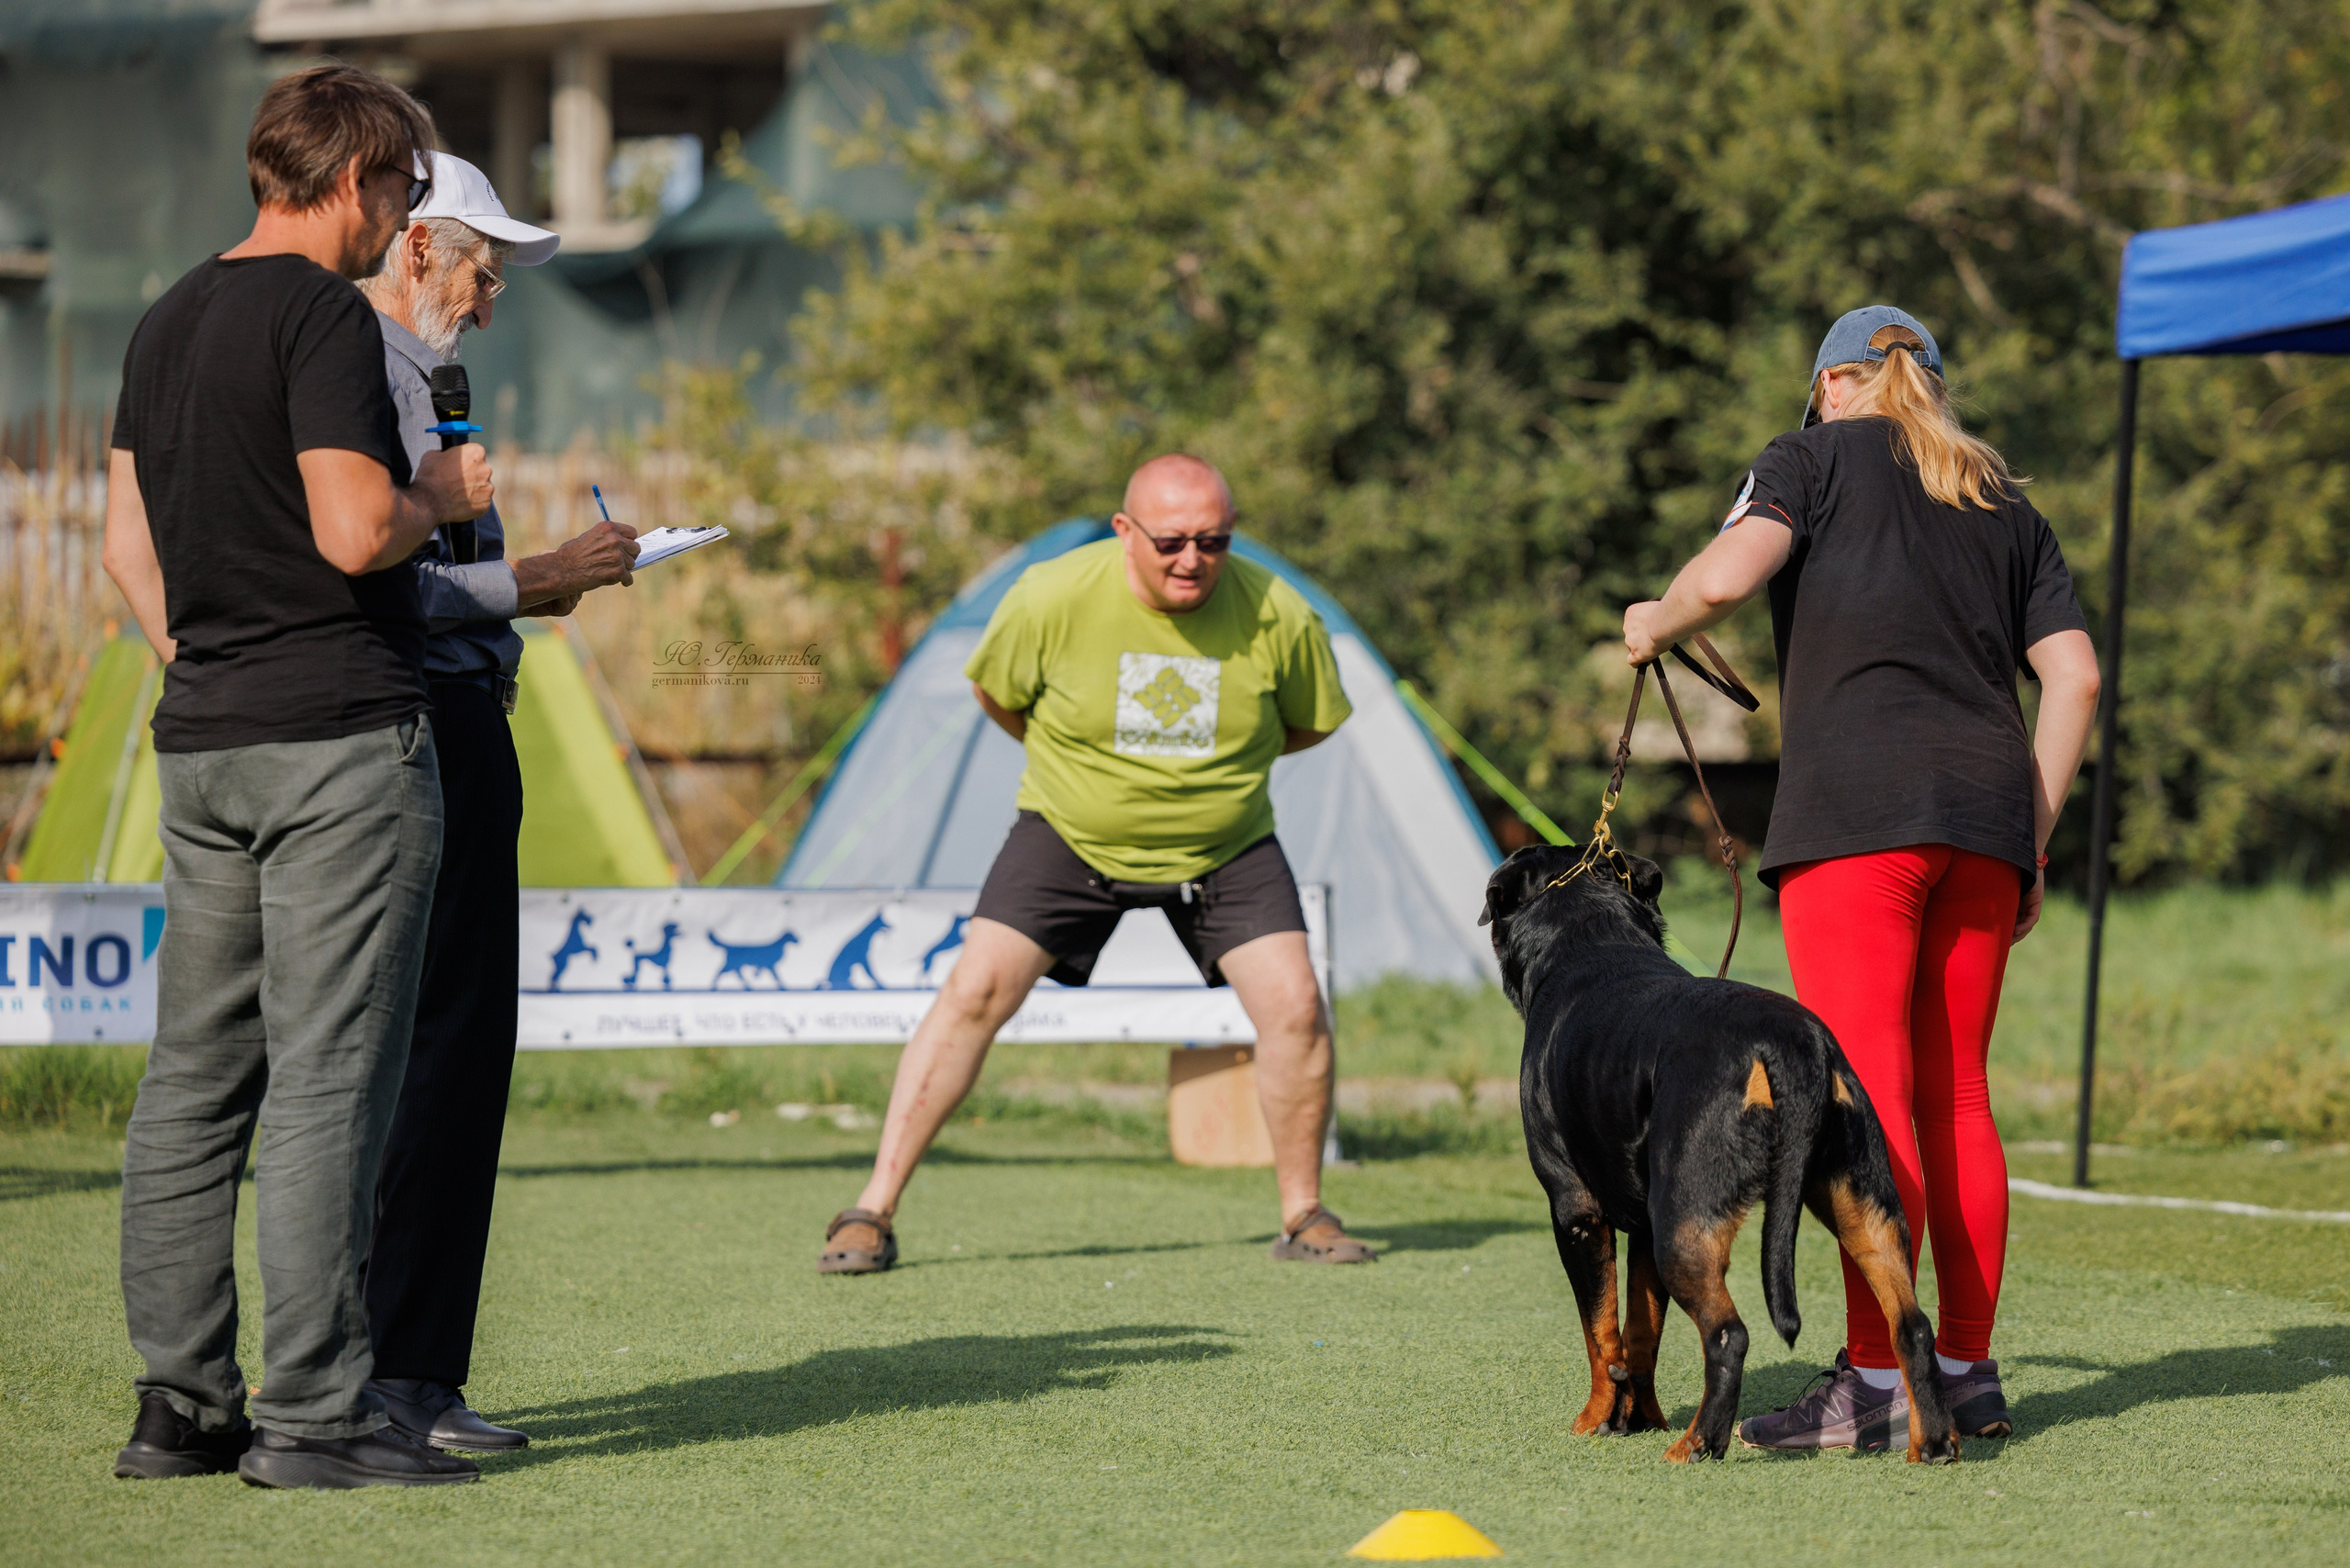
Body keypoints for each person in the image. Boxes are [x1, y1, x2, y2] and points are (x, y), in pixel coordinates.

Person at [100, 66, 494, 1488]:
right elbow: (351, 530)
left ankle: (182, 1407)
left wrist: (208, 663)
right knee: (330, 1082)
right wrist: (437, 497)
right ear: (350, 180)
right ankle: (315, 1418)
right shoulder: (322, 314)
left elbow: (124, 548)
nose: (401, 220)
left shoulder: (167, 316)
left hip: (207, 736)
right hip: (339, 741)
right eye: (400, 190)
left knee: (194, 1082)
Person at [1620, 306, 2101, 1450]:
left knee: (1866, 1105)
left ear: (1832, 386)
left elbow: (1725, 577)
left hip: (1857, 817)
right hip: (1984, 820)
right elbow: (2075, 678)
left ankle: (1880, 1381)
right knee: (1958, 1097)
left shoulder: (1808, 458)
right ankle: (1966, 1373)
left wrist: (1655, 619)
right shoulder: (2002, 498)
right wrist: (2029, 838)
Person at [819, 454, 1371, 1273]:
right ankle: (871, 1210)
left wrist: (1206, 784)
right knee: (973, 992)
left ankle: (1304, 1216)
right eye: (1171, 541)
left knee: (1296, 1006)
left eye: (1214, 541)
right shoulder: (1049, 597)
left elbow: (1311, 723)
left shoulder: (1280, 614)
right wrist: (1087, 780)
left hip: (1227, 848)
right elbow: (999, 694)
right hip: (1067, 834)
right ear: (1124, 531)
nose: (1193, 559)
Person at [352, 151, 641, 1455]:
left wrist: (532, 588)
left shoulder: (421, 375)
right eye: (483, 264)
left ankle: (379, 1370)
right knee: (439, 1052)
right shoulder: (371, 374)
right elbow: (374, 580)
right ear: (417, 246)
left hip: (445, 715)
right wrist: (532, 580)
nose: (494, 292)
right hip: (419, 726)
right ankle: (400, 1378)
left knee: (410, 1054)